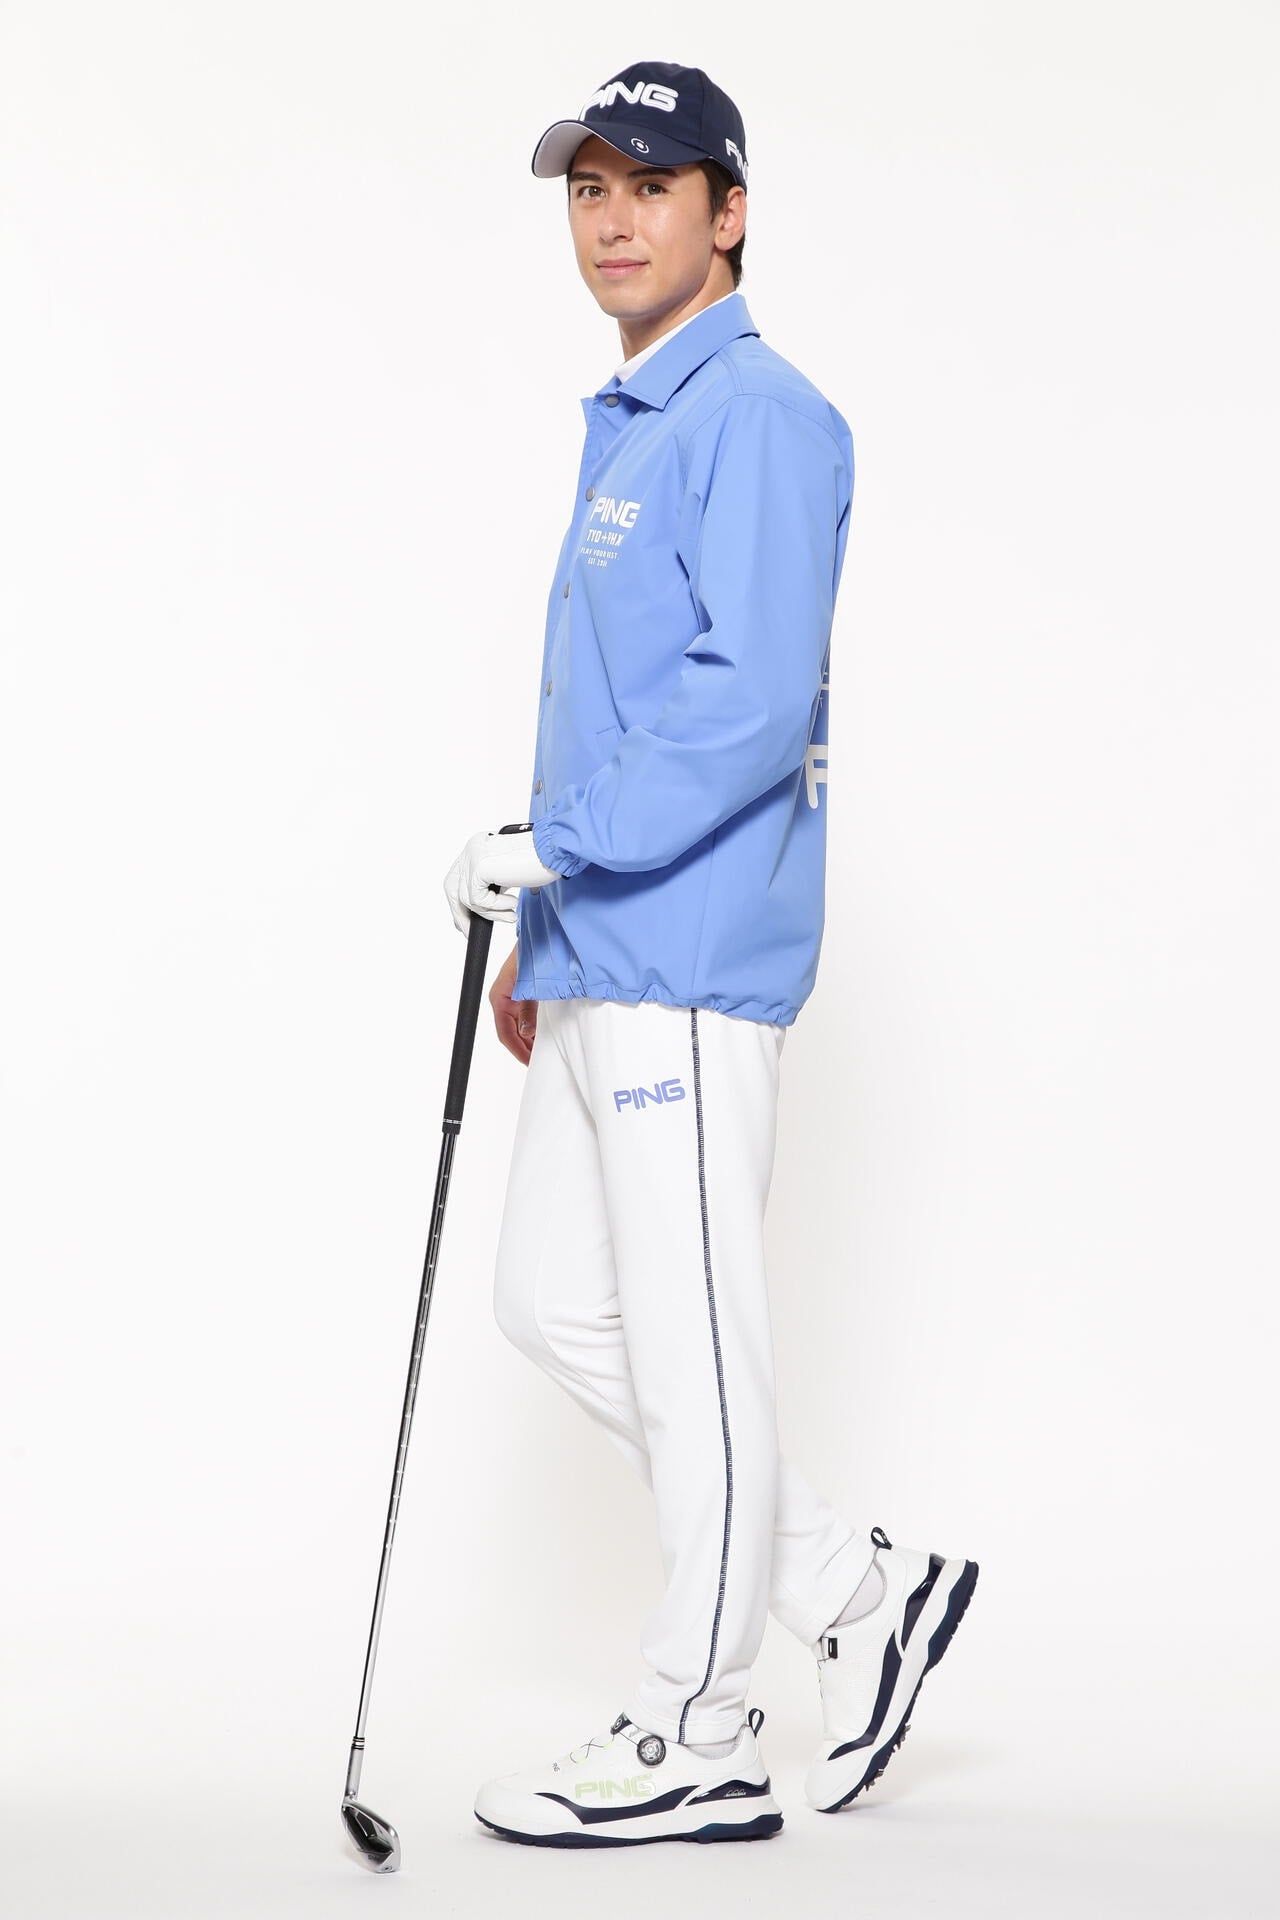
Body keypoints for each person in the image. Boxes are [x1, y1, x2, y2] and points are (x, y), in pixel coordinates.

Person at [442, 61, 978, 1849]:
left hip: (686, 962)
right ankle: (853, 1589)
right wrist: (545, 930)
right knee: (554, 1303)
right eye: (587, 188)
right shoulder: (638, 417)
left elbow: (745, 702)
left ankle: (704, 1726)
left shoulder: (758, 415)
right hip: (602, 951)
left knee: (697, 1348)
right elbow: (626, 697)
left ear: (728, 212)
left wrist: (558, 849)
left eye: (651, 186)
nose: (612, 220)